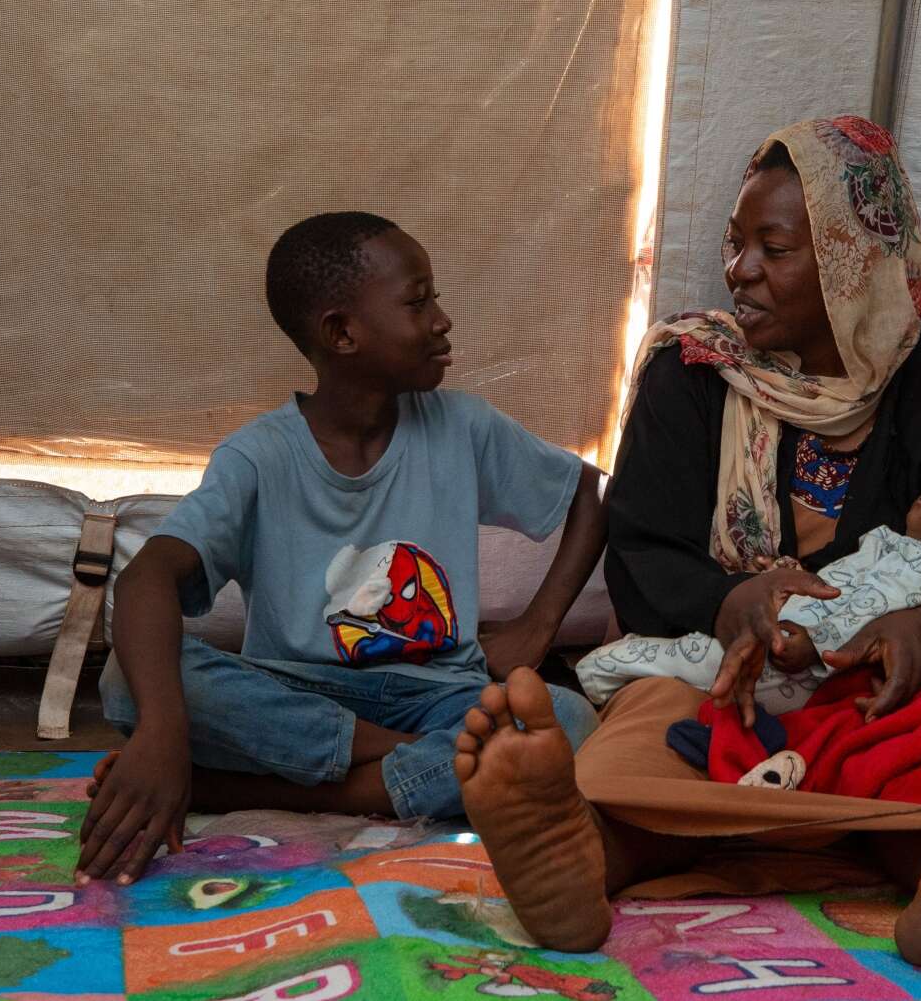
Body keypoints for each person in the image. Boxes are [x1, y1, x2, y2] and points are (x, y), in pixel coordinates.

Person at [454, 117, 921, 971]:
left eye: (774, 247)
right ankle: (582, 858)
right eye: (735, 245)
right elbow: (644, 550)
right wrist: (733, 603)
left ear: (853, 260)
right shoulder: (692, 373)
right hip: (717, 668)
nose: (740, 272)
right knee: (653, 732)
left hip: (879, 692)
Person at [77, 211, 603, 886]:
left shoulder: (464, 427)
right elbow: (149, 576)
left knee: (565, 718)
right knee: (130, 679)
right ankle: (421, 765)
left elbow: (590, 492)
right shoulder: (260, 456)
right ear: (340, 332)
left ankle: (268, 789)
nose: (442, 319)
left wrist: (537, 625)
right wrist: (160, 733)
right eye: (418, 301)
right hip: (298, 689)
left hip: (441, 694)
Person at [574, 470, 921, 714]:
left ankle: (586, 684)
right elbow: (847, 582)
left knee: (682, 659)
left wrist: (812, 646)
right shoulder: (901, 547)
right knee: (686, 673)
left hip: (791, 664)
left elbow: (867, 612)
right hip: (788, 640)